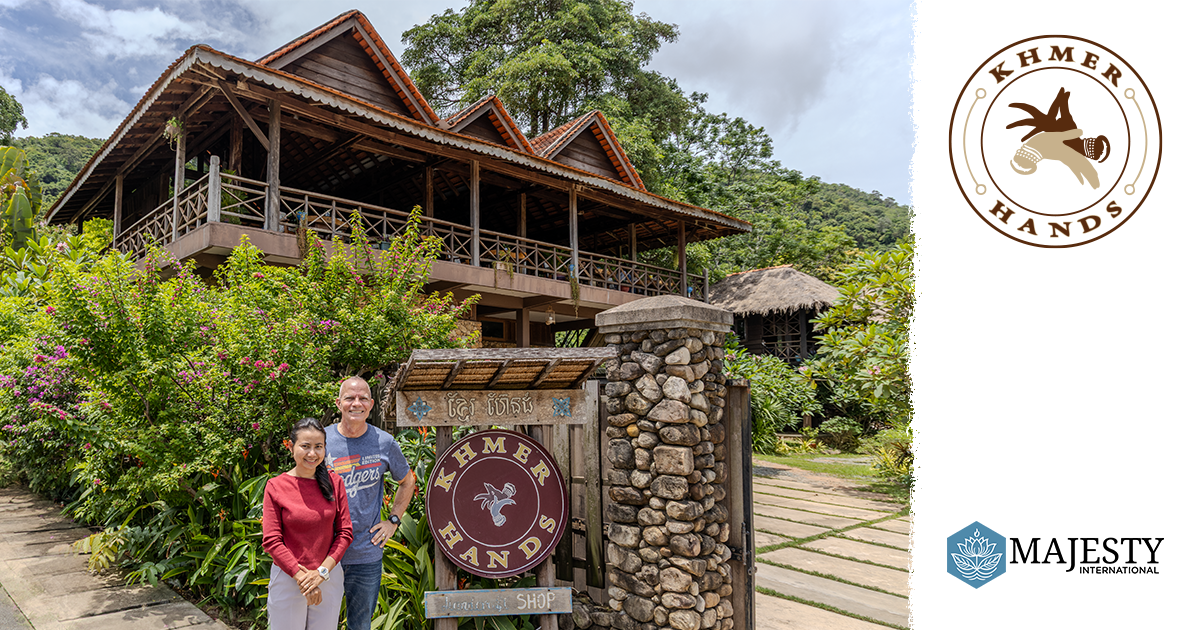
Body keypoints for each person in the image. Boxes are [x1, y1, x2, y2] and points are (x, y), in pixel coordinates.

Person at [324, 376, 417, 630]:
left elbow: (407, 482)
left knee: (360, 625)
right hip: (324, 553)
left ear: (372, 404)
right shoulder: (321, 441)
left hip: (366, 553)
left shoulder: (384, 442)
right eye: (350, 398)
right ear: (339, 403)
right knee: (320, 624)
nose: (357, 403)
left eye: (363, 398)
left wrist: (393, 521)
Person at [262, 417, 353, 630]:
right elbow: (272, 541)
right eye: (305, 446)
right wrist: (303, 578)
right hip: (288, 578)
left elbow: (345, 533)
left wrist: (321, 573)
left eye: (318, 447)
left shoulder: (335, 483)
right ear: (291, 447)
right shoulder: (276, 486)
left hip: (327, 577)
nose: (312, 454)